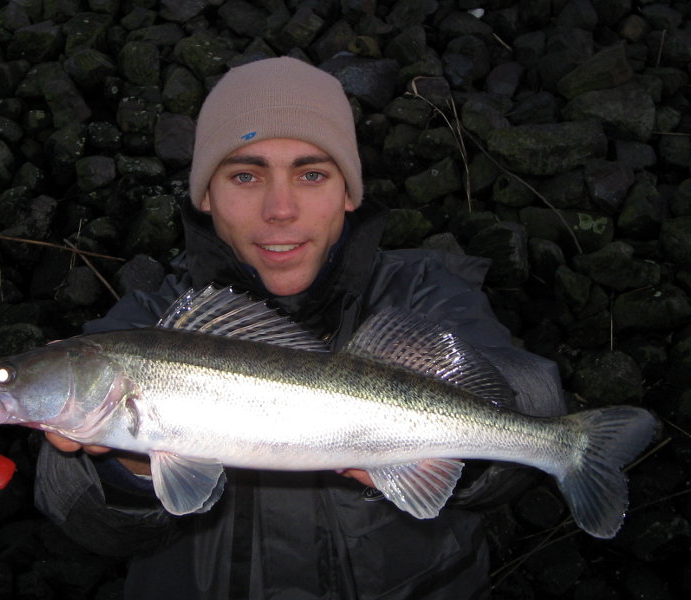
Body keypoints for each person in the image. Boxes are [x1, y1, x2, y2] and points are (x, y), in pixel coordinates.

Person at [35, 57, 565, 599]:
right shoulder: (145, 325)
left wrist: (462, 458)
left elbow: (533, 397)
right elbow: (73, 511)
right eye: (246, 175)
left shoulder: (424, 293)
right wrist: (129, 467)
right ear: (206, 196)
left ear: (349, 193)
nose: (280, 209)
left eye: (312, 174)